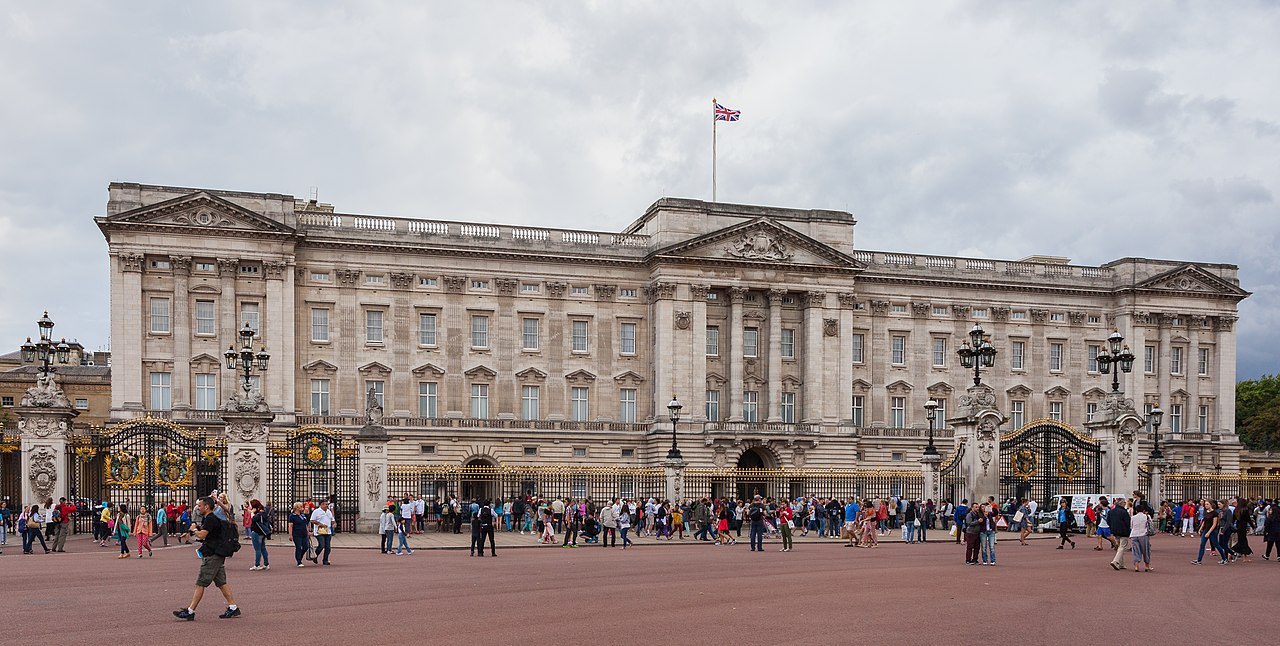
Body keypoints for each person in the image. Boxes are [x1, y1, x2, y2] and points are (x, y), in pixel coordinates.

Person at [173, 496, 240, 620]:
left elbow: (203, 535)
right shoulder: (210, 518)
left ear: (207, 506)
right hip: (217, 554)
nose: (198, 508)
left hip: (212, 555)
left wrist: (193, 530)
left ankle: (190, 611)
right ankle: (233, 607)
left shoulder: (210, 519)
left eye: (200, 506)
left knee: (200, 583)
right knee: (221, 583)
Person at [1107, 498, 1132, 571]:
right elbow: (1128, 522)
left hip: (1115, 531)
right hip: (1123, 531)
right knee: (1122, 547)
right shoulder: (1124, 512)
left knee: (1119, 547)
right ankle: (1115, 561)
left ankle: (1121, 564)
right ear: (1121, 503)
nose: (1125, 503)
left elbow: (1108, 521)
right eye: (1124, 502)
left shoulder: (1111, 511)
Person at [309, 498, 335, 566]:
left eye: (327, 504)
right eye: (326, 504)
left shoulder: (328, 511)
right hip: (319, 532)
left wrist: (334, 523)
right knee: (321, 545)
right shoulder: (316, 511)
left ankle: (325, 560)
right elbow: (312, 520)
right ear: (321, 504)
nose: (327, 505)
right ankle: (315, 555)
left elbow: (332, 519)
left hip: (328, 531)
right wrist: (319, 523)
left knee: (328, 547)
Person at [1130, 502, 1153, 572]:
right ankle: (1147, 566)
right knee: (1146, 550)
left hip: (1134, 534)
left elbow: (1131, 526)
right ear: (1143, 510)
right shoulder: (1147, 516)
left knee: (1136, 550)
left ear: (1136, 511)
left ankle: (1136, 566)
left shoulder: (1133, 517)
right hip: (1143, 534)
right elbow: (1150, 525)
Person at [248, 500, 271, 570]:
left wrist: (252, 513)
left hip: (257, 532)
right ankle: (266, 564)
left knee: (257, 549)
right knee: (263, 548)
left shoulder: (258, 514)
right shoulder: (263, 513)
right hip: (263, 533)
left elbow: (254, 519)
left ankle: (257, 565)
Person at [288, 502, 311, 567]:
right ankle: (299, 561)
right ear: (297, 508)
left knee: (305, 547)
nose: (302, 508)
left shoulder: (303, 515)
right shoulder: (292, 516)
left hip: (304, 533)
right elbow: (290, 526)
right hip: (297, 534)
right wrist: (290, 535)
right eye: (301, 507)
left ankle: (300, 556)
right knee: (298, 547)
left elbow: (306, 524)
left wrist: (308, 532)